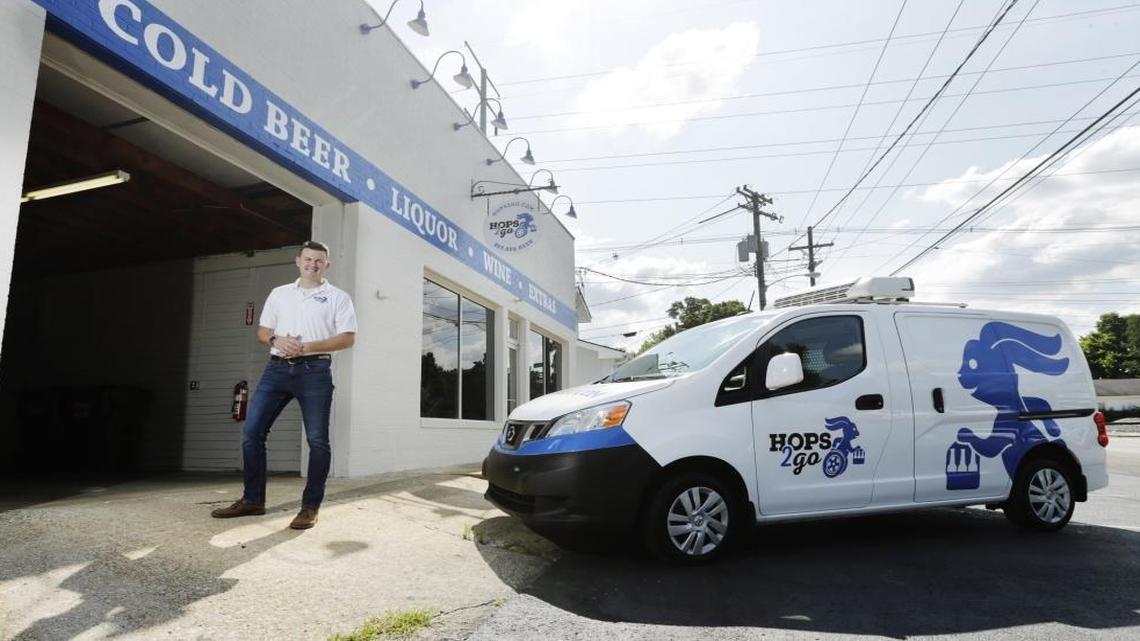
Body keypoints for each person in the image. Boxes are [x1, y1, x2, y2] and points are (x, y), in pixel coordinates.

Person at [211, 241, 357, 529]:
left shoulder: (338, 298)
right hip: (276, 370)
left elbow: (347, 339)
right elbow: (263, 331)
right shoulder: (280, 294)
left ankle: (310, 507)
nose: (312, 265)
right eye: (308, 259)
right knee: (252, 433)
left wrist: (305, 347)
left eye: (319, 261)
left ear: (326, 265)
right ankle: (253, 500)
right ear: (298, 261)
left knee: (317, 441)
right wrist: (277, 340)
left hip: (315, 371)